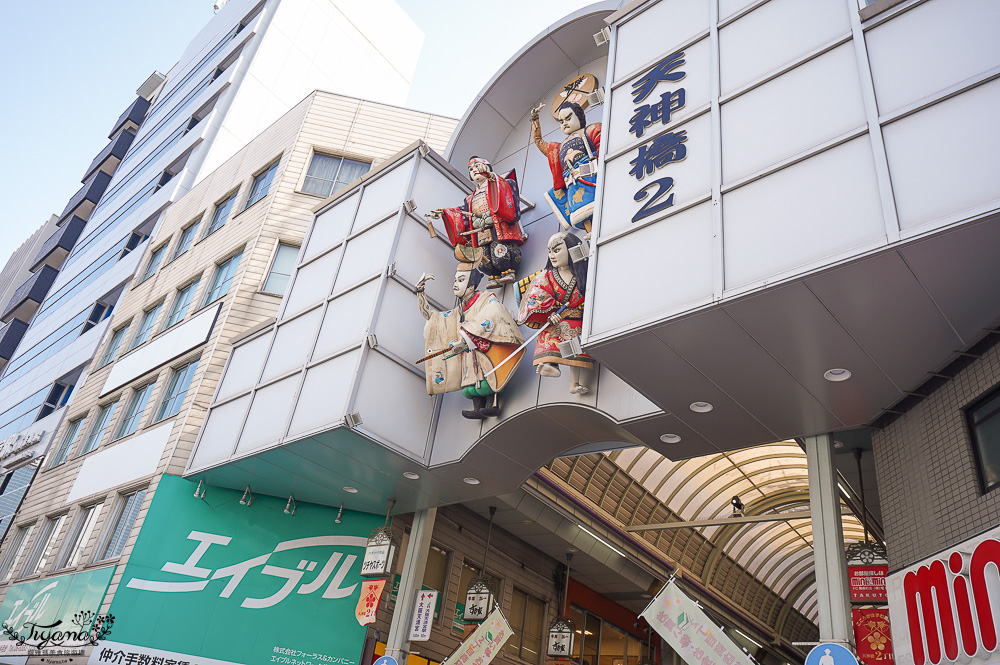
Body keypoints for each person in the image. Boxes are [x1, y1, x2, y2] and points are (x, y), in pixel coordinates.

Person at [416, 264, 524, 419]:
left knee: (489, 378)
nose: (455, 284)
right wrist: (420, 292)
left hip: (484, 348)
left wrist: (469, 333)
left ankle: (493, 405)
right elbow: (433, 318)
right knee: (470, 385)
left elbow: (493, 314)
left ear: (472, 285)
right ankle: (477, 408)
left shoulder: (487, 299)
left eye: (460, 280)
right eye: (455, 280)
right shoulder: (459, 310)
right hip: (468, 352)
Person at [426, 157, 525, 287]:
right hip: (480, 231)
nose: (474, 170)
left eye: (477, 166)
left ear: (488, 167)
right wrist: (444, 213)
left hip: (496, 226)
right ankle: (494, 276)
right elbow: (461, 213)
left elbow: (504, 192)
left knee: (500, 250)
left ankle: (508, 271)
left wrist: (490, 176)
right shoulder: (469, 199)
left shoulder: (498, 183)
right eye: (471, 169)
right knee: (484, 257)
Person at [517, 232, 593, 394]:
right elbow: (538, 294)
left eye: (557, 250)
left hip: (577, 321)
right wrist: (549, 313)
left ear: (572, 250)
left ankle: (574, 383)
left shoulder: (583, 275)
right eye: (549, 251)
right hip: (555, 320)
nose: (551, 255)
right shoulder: (547, 275)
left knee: (575, 351)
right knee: (552, 338)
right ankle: (551, 365)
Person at [531, 101, 602, 236]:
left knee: (599, 203)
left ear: (579, 116)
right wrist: (535, 120)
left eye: (568, 118)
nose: (564, 123)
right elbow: (539, 141)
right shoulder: (558, 148)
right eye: (561, 121)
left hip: (592, 176)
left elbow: (603, 147)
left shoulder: (591, 130)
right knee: (582, 212)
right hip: (573, 183)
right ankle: (590, 231)